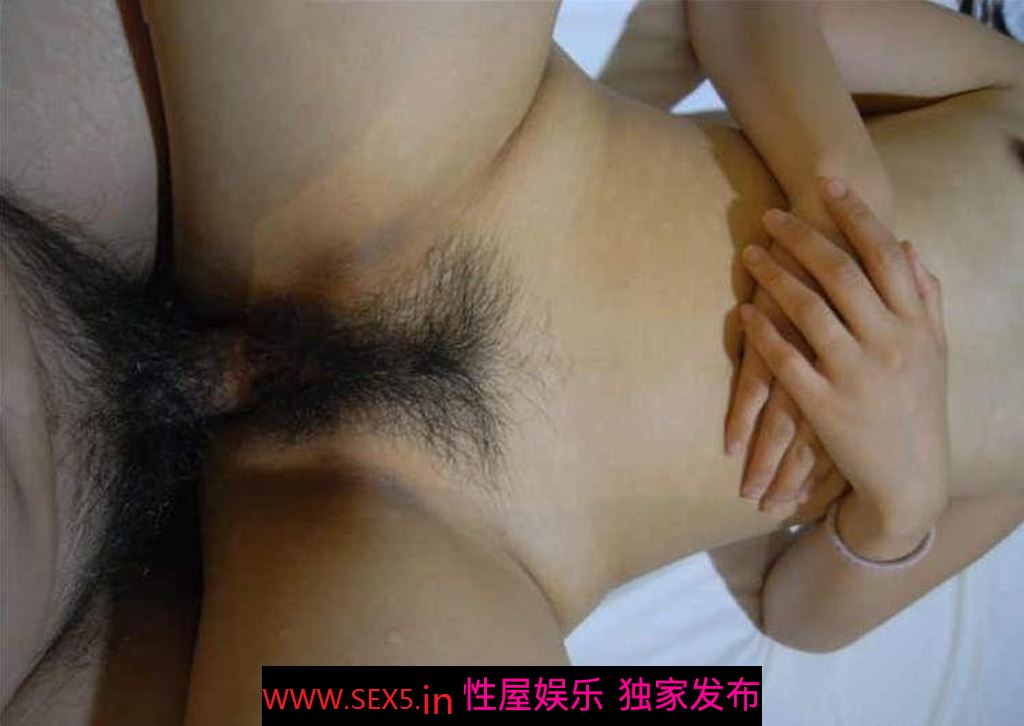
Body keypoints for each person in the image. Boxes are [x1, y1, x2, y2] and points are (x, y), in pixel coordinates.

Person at [2, 2, 1022, 725]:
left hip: (479, 543)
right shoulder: (1011, 91)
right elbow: (747, 11)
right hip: (459, 164)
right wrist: (843, 189)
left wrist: (901, 504)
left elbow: (797, 614)